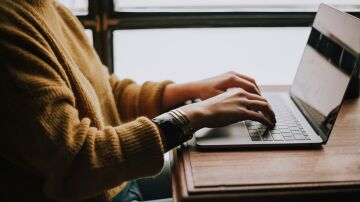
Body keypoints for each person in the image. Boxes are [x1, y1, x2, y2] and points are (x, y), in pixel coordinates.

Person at [0, 0, 276, 202]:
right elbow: (77, 161)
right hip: (97, 194)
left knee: (243, 180)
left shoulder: (49, 8)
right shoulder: (9, 28)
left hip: (115, 184)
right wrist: (193, 115)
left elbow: (104, 91)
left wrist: (189, 91)